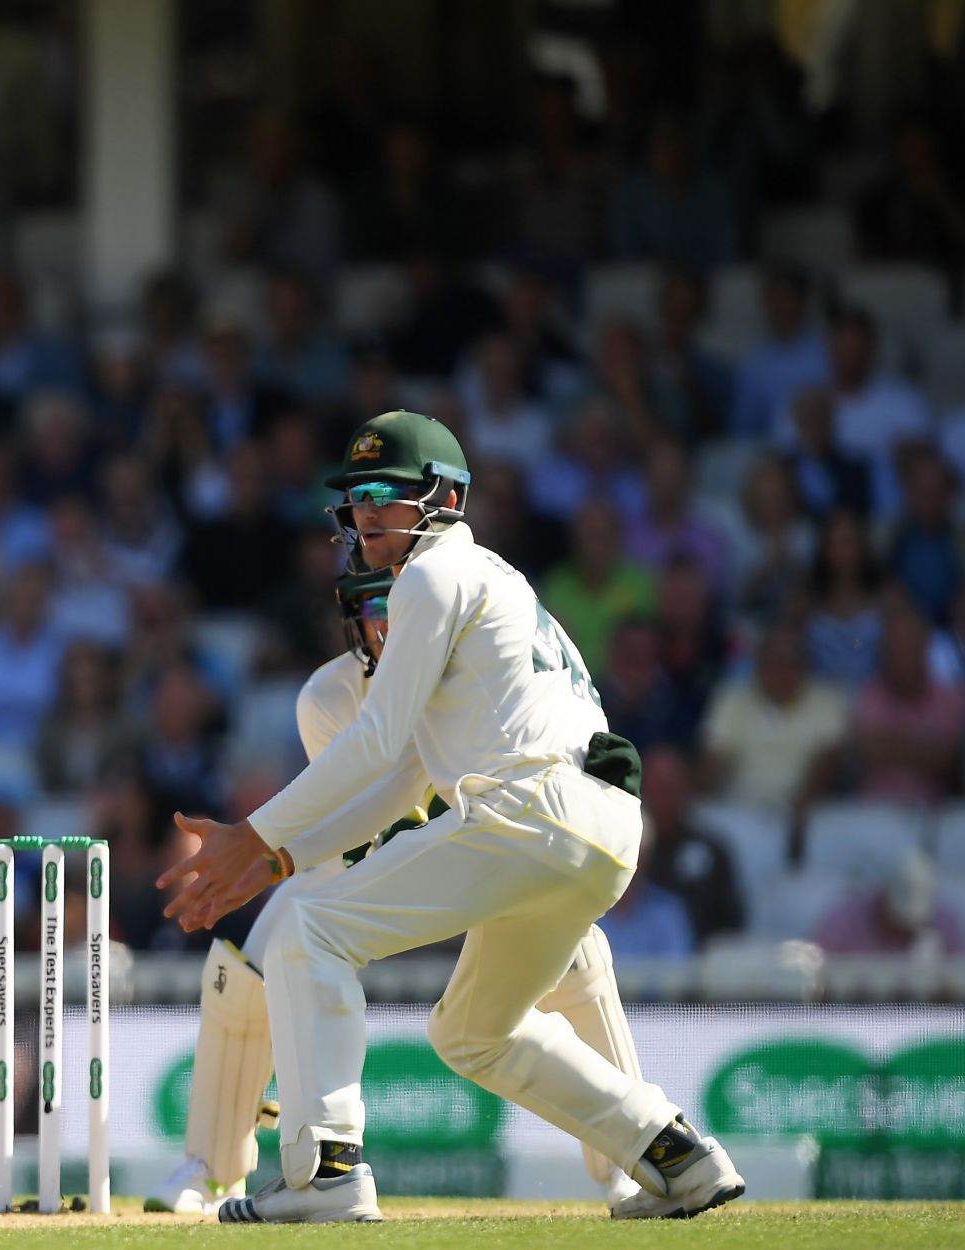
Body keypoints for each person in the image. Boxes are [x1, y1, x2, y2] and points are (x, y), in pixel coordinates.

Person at [157, 410, 744, 1222]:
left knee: (309, 932)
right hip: (601, 827)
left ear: (446, 496)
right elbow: (403, 777)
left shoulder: (433, 576)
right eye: (357, 497)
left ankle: (322, 1173)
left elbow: (375, 742)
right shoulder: (500, 583)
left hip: (529, 809)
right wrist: (278, 861)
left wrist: (257, 837)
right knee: (472, 1031)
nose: (365, 513)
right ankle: (675, 1155)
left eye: (385, 494)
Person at [146, 565, 649, 1216]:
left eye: (400, 607)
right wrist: (274, 863)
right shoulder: (331, 695)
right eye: (375, 611)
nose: (392, 626)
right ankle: (212, 1170)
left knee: (577, 952)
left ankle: (630, 1167)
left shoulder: (480, 663)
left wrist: (273, 853)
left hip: (499, 855)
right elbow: (372, 828)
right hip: (380, 871)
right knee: (248, 963)